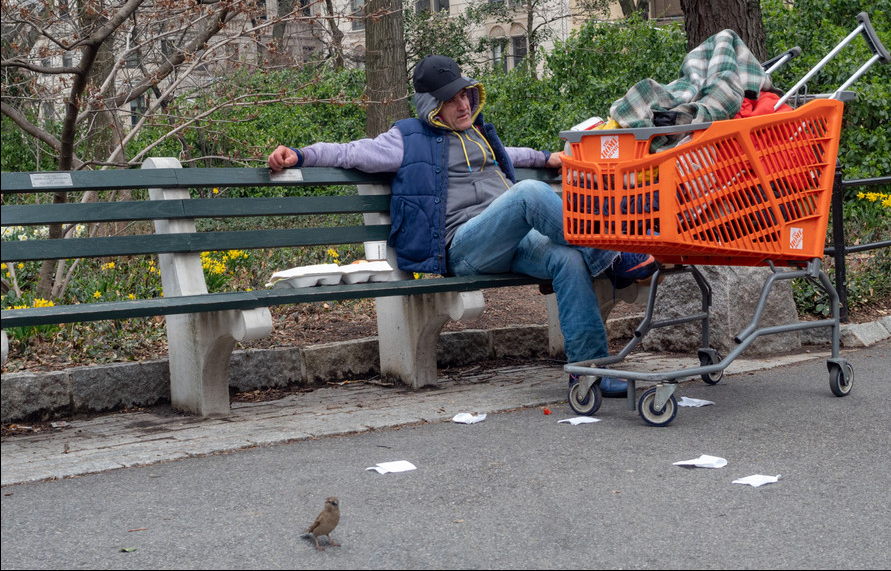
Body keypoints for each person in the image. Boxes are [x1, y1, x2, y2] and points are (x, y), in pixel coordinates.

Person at [267, 55, 657, 396]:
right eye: (452, 98)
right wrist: (300, 155)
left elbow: (509, 155)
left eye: (465, 94)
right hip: (464, 246)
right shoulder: (407, 138)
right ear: (432, 104)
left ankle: (589, 373)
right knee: (528, 196)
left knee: (568, 259)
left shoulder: (478, 133)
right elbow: (351, 151)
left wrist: (544, 157)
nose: (463, 103)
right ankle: (614, 257)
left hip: (510, 240)